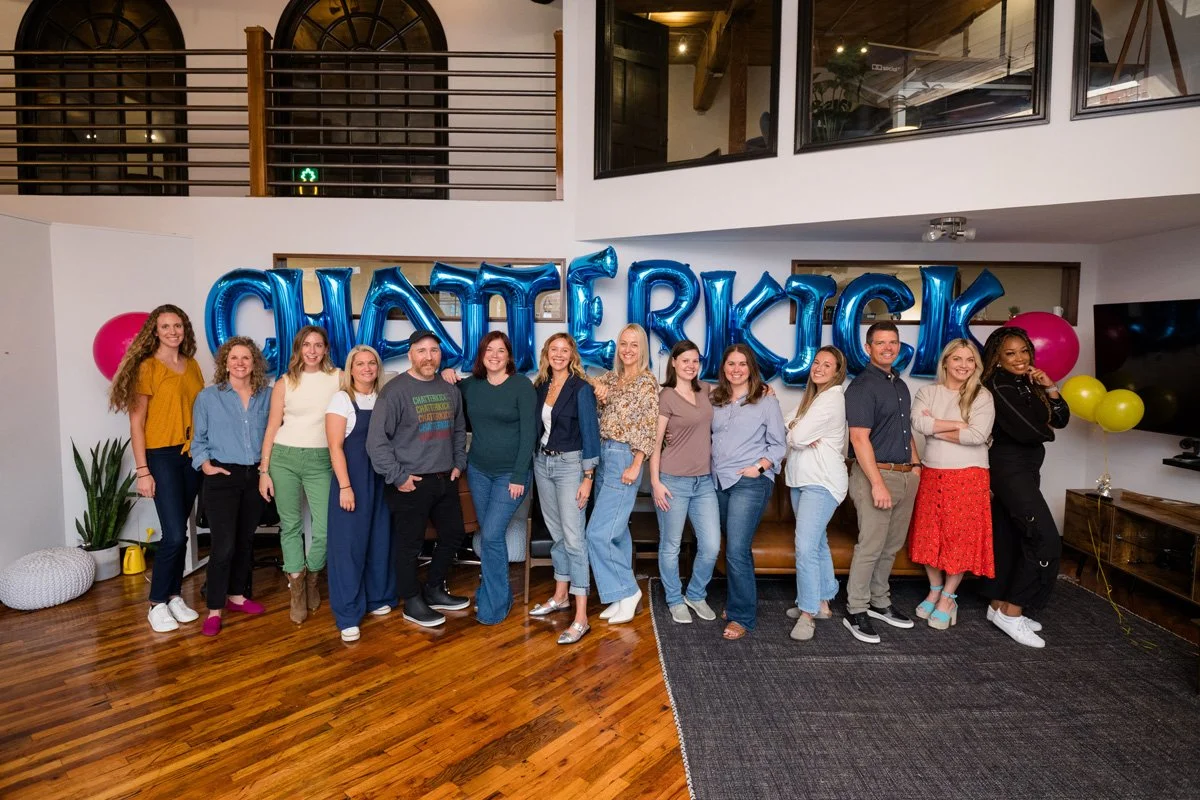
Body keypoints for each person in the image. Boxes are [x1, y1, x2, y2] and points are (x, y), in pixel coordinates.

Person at [108, 304, 205, 633]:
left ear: (184, 330)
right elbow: (136, 422)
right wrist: (143, 470)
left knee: (182, 532)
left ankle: (175, 595)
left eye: (178, 325)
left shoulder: (191, 366)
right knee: (174, 534)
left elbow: (200, 411)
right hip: (160, 456)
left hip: (190, 456)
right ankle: (156, 604)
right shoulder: (147, 367)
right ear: (155, 331)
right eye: (166, 326)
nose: (173, 331)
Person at [367, 329, 470, 628]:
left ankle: (434, 589)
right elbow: (376, 442)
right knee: (409, 546)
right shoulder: (395, 391)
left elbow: (458, 430)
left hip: (444, 479)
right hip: (410, 482)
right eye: (422, 350)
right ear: (410, 354)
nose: (429, 356)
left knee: (452, 536)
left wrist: (458, 463)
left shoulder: (450, 389)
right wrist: (398, 477)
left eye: (434, 351)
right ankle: (411, 601)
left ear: (440, 355)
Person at [979, 327, 1069, 648]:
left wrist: (1051, 389)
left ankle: (997, 605)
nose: (1020, 359)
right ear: (997, 359)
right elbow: (1032, 430)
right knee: (1043, 537)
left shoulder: (1029, 382)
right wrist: (1045, 427)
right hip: (1008, 467)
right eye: (1010, 353)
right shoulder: (997, 385)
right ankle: (1013, 612)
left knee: (1010, 535)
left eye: (1024, 351)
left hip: (1028, 468)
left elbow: (1060, 420)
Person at [908, 339, 995, 631]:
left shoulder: (982, 396)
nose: (963, 365)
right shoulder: (927, 392)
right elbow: (919, 424)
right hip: (933, 472)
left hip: (969, 474)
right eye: (957, 359)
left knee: (959, 538)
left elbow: (977, 437)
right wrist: (959, 425)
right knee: (929, 535)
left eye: (970, 360)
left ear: (976, 366)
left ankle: (948, 596)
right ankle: (934, 588)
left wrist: (940, 427)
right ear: (945, 362)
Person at [843, 322, 920, 644]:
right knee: (871, 546)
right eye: (880, 343)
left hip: (905, 474)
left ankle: (879, 601)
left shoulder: (899, 385)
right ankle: (855, 609)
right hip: (876, 476)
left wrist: (916, 466)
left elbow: (905, 431)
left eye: (893, 342)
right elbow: (859, 438)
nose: (888, 347)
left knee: (891, 546)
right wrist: (877, 483)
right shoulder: (862, 386)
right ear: (868, 347)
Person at [259, 325, 341, 625]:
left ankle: (311, 579)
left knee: (325, 528)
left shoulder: (338, 377)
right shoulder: (284, 382)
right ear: (298, 349)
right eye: (307, 345)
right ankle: (296, 586)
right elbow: (271, 426)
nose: (312, 350)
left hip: (322, 459)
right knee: (290, 526)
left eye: (318, 345)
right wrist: (264, 470)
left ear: (326, 349)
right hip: (284, 457)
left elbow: (371, 386)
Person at [453, 332, 537, 626]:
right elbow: (449, 389)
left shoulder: (521, 386)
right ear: (482, 355)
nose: (495, 355)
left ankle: (496, 603)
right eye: (490, 350)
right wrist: (447, 375)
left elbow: (530, 434)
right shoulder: (471, 386)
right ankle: (492, 591)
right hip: (478, 471)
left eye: (501, 350)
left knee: (490, 535)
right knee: (491, 535)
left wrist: (518, 475)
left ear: (509, 356)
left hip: (510, 476)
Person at [189, 337, 271, 636]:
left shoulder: (267, 395)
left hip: (255, 476)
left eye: (246, 358)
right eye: (234, 358)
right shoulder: (208, 397)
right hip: (222, 477)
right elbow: (197, 442)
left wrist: (267, 470)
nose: (240, 363)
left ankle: (237, 596)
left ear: (254, 363)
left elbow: (275, 433)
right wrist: (207, 465)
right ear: (225, 363)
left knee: (245, 541)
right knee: (223, 546)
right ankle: (213, 609)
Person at [528, 333, 601, 645]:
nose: (559, 355)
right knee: (557, 534)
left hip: (572, 466)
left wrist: (588, 477)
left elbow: (590, 433)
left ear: (572, 355)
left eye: (565, 350)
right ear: (547, 353)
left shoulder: (581, 388)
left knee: (574, 539)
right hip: (542, 464)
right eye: (554, 349)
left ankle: (581, 617)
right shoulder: (540, 385)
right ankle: (561, 597)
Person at [710, 344, 786, 641]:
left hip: (750, 482)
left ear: (751, 368)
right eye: (731, 364)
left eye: (742, 364)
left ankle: (743, 616)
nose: (737, 369)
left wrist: (760, 467)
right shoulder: (714, 398)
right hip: (718, 482)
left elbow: (779, 444)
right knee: (734, 547)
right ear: (724, 368)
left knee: (737, 548)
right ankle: (738, 602)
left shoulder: (766, 401)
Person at [587, 323, 658, 625]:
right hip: (602, 455)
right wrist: (597, 390)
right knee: (617, 534)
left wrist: (637, 463)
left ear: (642, 350)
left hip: (625, 457)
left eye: (634, 345)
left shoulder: (647, 382)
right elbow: (581, 377)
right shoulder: (611, 378)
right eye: (623, 344)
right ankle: (619, 596)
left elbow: (649, 426)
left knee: (597, 533)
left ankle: (629, 592)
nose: (627, 350)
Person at [325, 345, 396, 643]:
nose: (367, 368)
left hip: (381, 480)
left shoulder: (384, 398)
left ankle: (378, 597)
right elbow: (335, 447)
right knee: (349, 549)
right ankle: (348, 613)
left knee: (380, 541)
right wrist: (345, 486)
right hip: (352, 481)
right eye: (360, 364)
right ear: (350, 369)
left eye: (372, 363)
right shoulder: (341, 400)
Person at [649, 340, 720, 625]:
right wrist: (655, 482)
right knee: (671, 546)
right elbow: (655, 443)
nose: (691, 365)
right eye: (685, 360)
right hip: (672, 481)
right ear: (674, 363)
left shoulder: (706, 390)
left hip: (703, 483)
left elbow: (739, 390)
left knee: (712, 545)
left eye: (695, 361)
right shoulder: (665, 395)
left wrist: (764, 388)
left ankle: (696, 593)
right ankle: (675, 599)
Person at [782, 345, 848, 642]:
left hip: (821, 482)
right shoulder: (813, 399)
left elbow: (795, 436)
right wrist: (797, 428)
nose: (819, 368)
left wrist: (797, 430)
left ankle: (807, 613)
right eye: (817, 363)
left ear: (837, 372)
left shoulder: (832, 399)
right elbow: (787, 425)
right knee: (818, 544)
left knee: (805, 547)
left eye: (827, 365)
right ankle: (822, 602)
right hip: (802, 480)